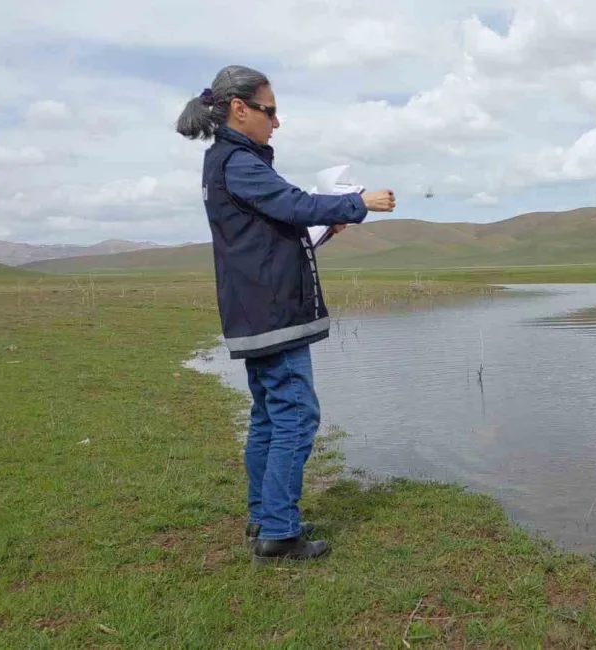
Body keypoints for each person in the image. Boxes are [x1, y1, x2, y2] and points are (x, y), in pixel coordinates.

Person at [176, 64, 396, 565]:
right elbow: (294, 203)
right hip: (272, 313)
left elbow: (276, 226)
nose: (276, 122)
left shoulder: (232, 162)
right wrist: (356, 202)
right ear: (239, 109)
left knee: (270, 417)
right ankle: (278, 532)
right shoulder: (240, 162)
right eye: (269, 111)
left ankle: (266, 516)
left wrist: (327, 226)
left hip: (258, 310)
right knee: (296, 415)